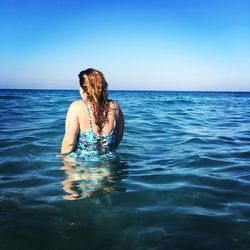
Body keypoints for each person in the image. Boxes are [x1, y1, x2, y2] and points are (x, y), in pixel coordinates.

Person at [60, 68, 124, 160]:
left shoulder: (77, 107)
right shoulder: (115, 107)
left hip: (82, 166)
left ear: (83, 89)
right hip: (107, 164)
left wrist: (62, 159)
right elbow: (118, 138)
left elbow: (69, 143)